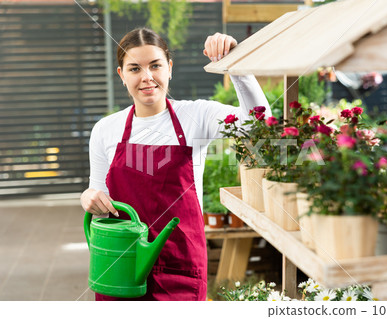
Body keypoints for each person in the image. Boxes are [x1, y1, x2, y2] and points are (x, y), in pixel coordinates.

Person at [80, 27, 271, 301]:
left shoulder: (197, 116)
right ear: (122, 76)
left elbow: (258, 124)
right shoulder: (106, 129)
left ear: (169, 68)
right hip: (120, 266)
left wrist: (236, 64)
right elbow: (97, 194)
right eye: (135, 69)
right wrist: (89, 197)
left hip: (180, 267)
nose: (147, 77)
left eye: (155, 66)